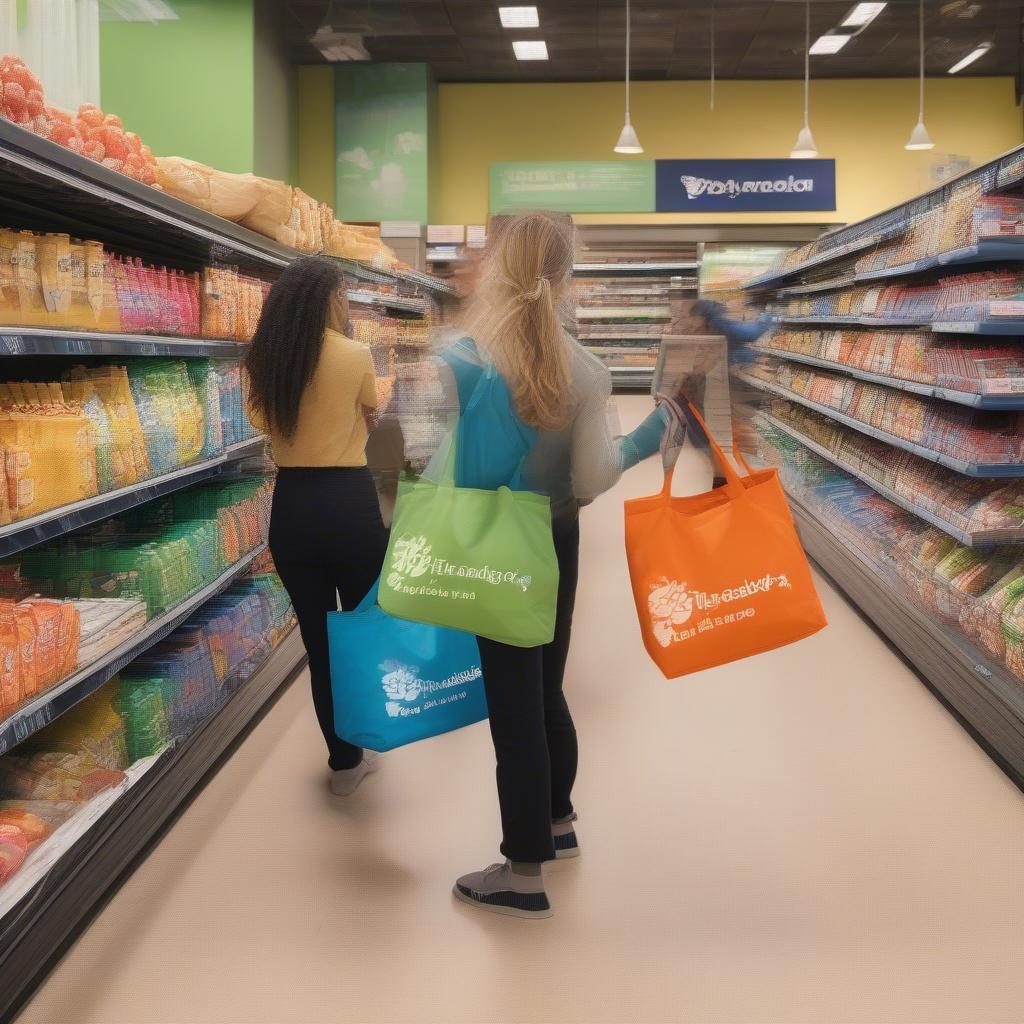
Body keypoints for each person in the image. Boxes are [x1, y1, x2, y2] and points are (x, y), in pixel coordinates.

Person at [441, 211, 678, 919]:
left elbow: (432, 465)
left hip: (490, 542)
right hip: (557, 540)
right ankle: (557, 822)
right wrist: (644, 439)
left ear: (497, 268)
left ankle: (521, 875)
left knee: (511, 711)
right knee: (546, 689)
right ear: (569, 274)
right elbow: (590, 478)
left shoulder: (463, 357)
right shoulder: (589, 370)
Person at [245, 256, 386, 797]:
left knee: (320, 639)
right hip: (349, 504)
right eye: (342, 294)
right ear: (330, 299)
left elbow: (263, 422)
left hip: (293, 508)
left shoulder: (267, 359)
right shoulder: (354, 354)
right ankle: (373, 730)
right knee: (364, 630)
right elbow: (372, 421)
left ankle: (343, 759)